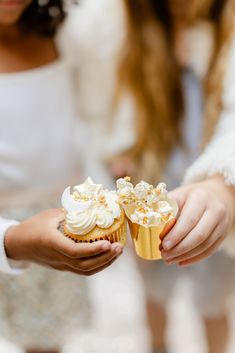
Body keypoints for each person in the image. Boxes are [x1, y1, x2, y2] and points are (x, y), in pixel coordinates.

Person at [70, 0, 235, 352]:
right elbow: (103, 108)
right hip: (151, 180)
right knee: (153, 286)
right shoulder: (123, 27)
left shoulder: (223, 27)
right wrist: (118, 149)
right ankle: (158, 345)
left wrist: (222, 184)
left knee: (213, 297)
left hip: (210, 174)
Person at [0, 2, 150, 353]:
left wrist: (119, 152)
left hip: (64, 213)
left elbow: (97, 107)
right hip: (6, 221)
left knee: (53, 329)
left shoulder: (64, 36)